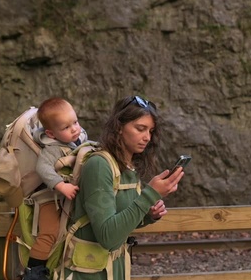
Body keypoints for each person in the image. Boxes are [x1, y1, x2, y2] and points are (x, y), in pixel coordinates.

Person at [67, 95, 184, 280]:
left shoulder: (128, 167)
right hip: (88, 274)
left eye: (150, 131)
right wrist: (149, 194)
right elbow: (109, 238)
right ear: (119, 127)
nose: (147, 137)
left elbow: (121, 221)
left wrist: (148, 214)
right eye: (140, 129)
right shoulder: (99, 165)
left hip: (114, 270)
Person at [24, 97, 88, 280]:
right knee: (49, 233)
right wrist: (61, 186)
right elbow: (42, 169)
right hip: (49, 197)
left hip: (69, 197)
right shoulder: (51, 148)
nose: (74, 128)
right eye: (66, 128)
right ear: (51, 134)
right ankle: (33, 271)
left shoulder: (80, 138)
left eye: (75, 122)